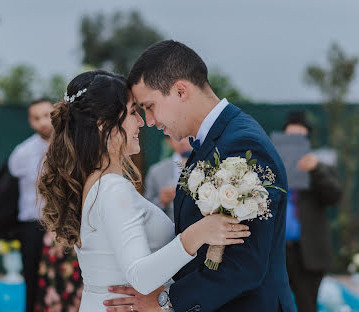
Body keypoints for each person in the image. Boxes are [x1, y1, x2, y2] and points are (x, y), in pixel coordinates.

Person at [105, 40, 295, 311]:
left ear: (180, 91)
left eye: (149, 106)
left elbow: (244, 264)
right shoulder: (213, 142)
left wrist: (166, 301)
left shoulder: (242, 146)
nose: (149, 121)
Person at [37, 70, 250, 312]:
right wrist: (197, 234)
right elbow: (139, 275)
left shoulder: (95, 183)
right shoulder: (112, 188)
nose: (141, 122)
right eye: (131, 112)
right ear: (103, 124)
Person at [283, 111, 342, 312]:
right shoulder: (273, 168)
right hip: (280, 251)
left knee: (306, 305)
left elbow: (334, 196)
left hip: (309, 252)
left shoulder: (321, 167)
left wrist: (315, 169)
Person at [8, 99, 53, 312]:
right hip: (33, 226)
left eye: (47, 115)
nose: (43, 122)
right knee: (33, 285)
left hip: (67, 227)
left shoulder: (73, 145)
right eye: (37, 118)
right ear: (30, 121)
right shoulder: (21, 153)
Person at [145, 136, 192, 221]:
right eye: (178, 137)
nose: (183, 142)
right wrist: (161, 201)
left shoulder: (206, 165)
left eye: (187, 136)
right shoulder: (156, 171)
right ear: (168, 141)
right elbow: (145, 209)